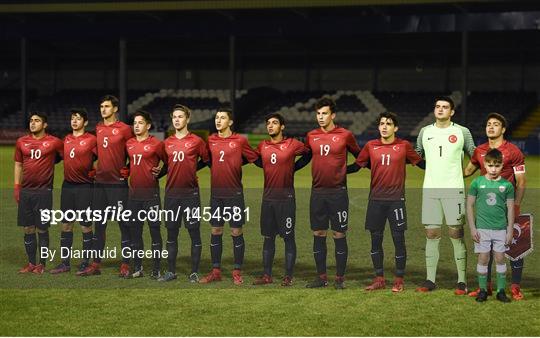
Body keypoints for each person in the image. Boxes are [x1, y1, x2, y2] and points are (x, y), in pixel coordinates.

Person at [347, 112, 423, 292]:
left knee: (398, 240)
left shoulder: (404, 146)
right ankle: (379, 278)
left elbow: (420, 163)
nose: (384, 126)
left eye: (388, 124)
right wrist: (335, 171)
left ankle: (399, 279)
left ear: (395, 128)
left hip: (396, 200)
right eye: (381, 123)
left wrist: (444, 167)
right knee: (375, 241)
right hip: (375, 200)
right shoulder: (370, 146)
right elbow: (357, 167)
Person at [295, 97, 361, 289]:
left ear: (333, 115)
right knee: (318, 233)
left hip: (338, 193)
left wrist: (344, 171)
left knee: (339, 234)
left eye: (324, 113)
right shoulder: (311, 135)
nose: (321, 117)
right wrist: (290, 170)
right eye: (318, 114)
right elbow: (306, 158)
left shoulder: (345, 135)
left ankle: (340, 279)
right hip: (317, 193)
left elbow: (361, 159)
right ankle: (321, 278)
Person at [415, 96, 475, 294]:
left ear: (452, 112)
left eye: (445, 107)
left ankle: (462, 281)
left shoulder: (462, 132)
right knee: (431, 234)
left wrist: (464, 173)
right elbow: (416, 156)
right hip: (430, 190)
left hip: (453, 189)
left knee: (455, 233)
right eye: (438, 106)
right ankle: (430, 280)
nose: (440, 109)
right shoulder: (425, 132)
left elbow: (475, 156)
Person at [464, 113, 527, 300]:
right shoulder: (480, 150)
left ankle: (515, 286)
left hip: (506, 205)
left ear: (503, 129)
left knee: (515, 245)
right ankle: (487, 286)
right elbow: (467, 171)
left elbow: (521, 182)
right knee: (486, 249)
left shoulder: (513, 151)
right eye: (488, 124)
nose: (491, 127)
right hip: (485, 209)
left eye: (496, 124)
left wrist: (516, 205)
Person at [199, 108, 259, 285]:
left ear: (230, 122)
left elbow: (253, 158)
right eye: (217, 117)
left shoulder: (240, 140)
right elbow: (206, 160)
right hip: (216, 195)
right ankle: (215, 271)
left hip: (234, 194)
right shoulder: (210, 140)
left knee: (236, 231)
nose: (218, 120)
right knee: (216, 231)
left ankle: (237, 271)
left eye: (222, 118)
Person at [78, 95, 134, 276]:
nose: (103, 109)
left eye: (107, 106)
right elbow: (98, 152)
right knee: (99, 224)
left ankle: (126, 264)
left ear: (115, 109)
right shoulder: (98, 128)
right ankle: (95, 265)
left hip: (117, 184)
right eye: (101, 106)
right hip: (100, 184)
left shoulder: (125, 129)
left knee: (123, 224)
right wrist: (94, 168)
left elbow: (134, 151)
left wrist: (130, 169)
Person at [252, 113, 308, 286]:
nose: (270, 126)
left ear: (282, 127)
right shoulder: (263, 145)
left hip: (286, 200)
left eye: (275, 123)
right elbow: (255, 159)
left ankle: (288, 277)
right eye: (268, 123)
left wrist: (294, 167)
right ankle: (267, 276)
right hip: (268, 200)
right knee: (268, 238)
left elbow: (309, 153)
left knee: (288, 238)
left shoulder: (292, 144)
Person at [158, 104, 209, 282]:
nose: (177, 120)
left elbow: (206, 160)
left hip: (191, 196)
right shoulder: (167, 143)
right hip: (171, 195)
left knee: (194, 233)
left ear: (187, 119)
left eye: (180, 116)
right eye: (174, 117)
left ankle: (194, 272)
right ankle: (171, 271)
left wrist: (194, 170)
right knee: (171, 234)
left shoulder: (196, 141)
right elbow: (166, 166)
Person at [14, 113, 63, 274]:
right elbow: (19, 165)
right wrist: (16, 186)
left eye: (37, 121)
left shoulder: (54, 142)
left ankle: (41, 264)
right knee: (28, 228)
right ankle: (30, 263)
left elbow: (68, 156)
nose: (33, 123)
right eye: (31, 121)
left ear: (45, 124)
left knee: (42, 228)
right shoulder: (21, 141)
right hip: (26, 191)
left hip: (44, 192)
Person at [50, 108, 97, 274]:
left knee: (85, 225)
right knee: (66, 225)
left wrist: (96, 170)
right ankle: (65, 263)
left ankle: (85, 262)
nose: (74, 121)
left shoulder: (92, 140)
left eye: (78, 118)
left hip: (85, 187)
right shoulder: (66, 139)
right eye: (72, 118)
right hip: (68, 187)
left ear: (85, 122)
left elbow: (104, 157)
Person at [467, 148, 514, 303]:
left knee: (500, 258)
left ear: (502, 166)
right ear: (485, 165)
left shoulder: (507, 186)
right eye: (490, 165)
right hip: (482, 229)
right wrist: (473, 228)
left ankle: (501, 291)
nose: (494, 169)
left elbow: (511, 209)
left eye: (497, 165)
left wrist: (509, 230)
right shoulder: (477, 182)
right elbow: (469, 206)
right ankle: (482, 290)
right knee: (483, 258)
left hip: (501, 229)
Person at [125, 110, 166, 279]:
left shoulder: (157, 144)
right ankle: (137, 267)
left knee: (155, 231)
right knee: (136, 233)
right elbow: (128, 163)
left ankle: (156, 268)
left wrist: (160, 172)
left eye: (140, 123)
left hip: (152, 196)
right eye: (135, 123)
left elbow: (170, 163)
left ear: (148, 125)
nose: (136, 126)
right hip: (133, 196)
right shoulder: (129, 144)